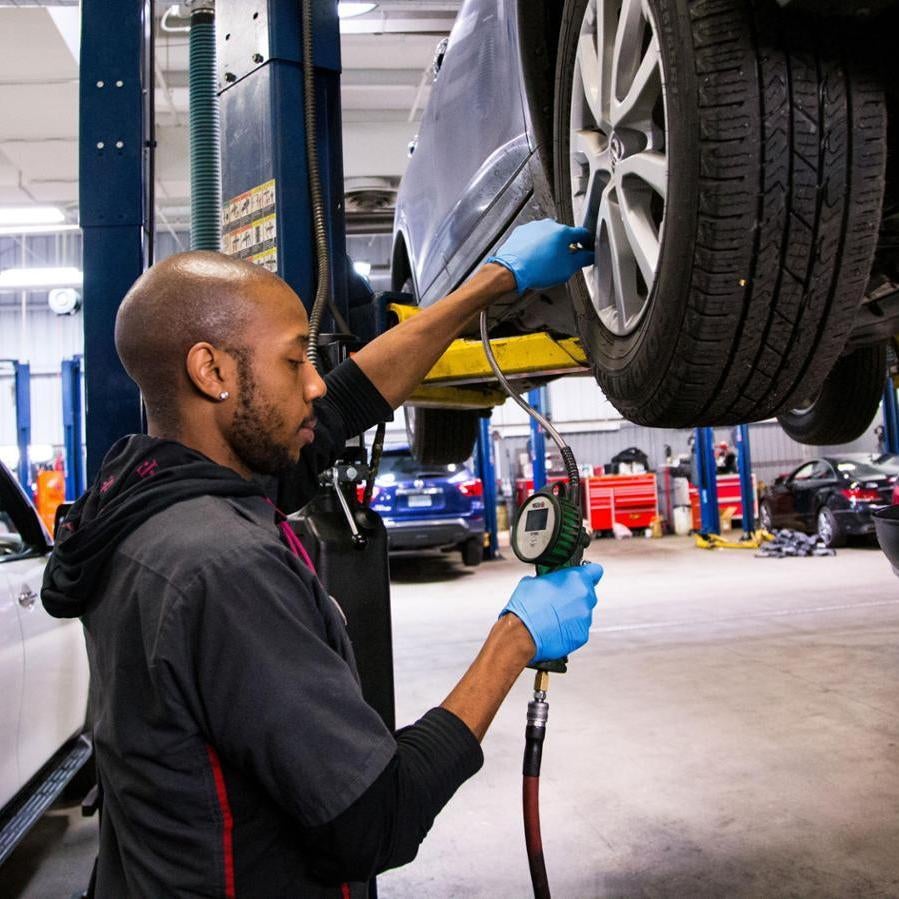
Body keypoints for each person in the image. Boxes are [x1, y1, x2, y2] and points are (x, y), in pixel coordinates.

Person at [41, 219, 603, 898]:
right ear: (211, 370)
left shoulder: (146, 505)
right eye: (294, 359)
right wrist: (516, 637)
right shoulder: (223, 566)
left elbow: (346, 402)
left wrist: (493, 282)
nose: (313, 383)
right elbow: (374, 817)